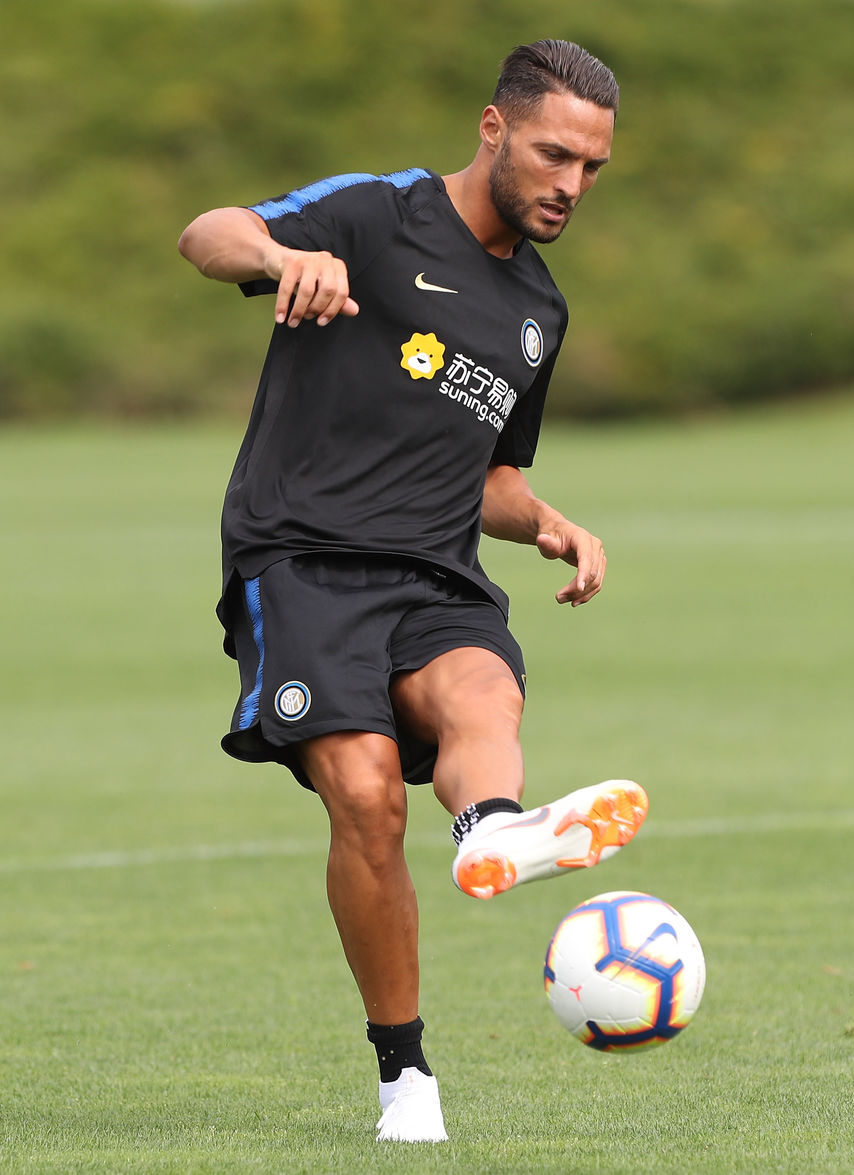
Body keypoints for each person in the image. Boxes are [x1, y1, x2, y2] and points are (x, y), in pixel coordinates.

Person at [178, 38, 648, 1143]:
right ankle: (407, 1077)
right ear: (494, 128)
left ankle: (494, 831)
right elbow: (207, 234)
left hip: (436, 569)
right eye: (554, 155)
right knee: (369, 794)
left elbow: (491, 475)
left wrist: (548, 521)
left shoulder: (538, 312)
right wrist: (283, 255)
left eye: (592, 167)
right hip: (301, 559)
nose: (571, 185)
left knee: (483, 692)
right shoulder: (376, 213)